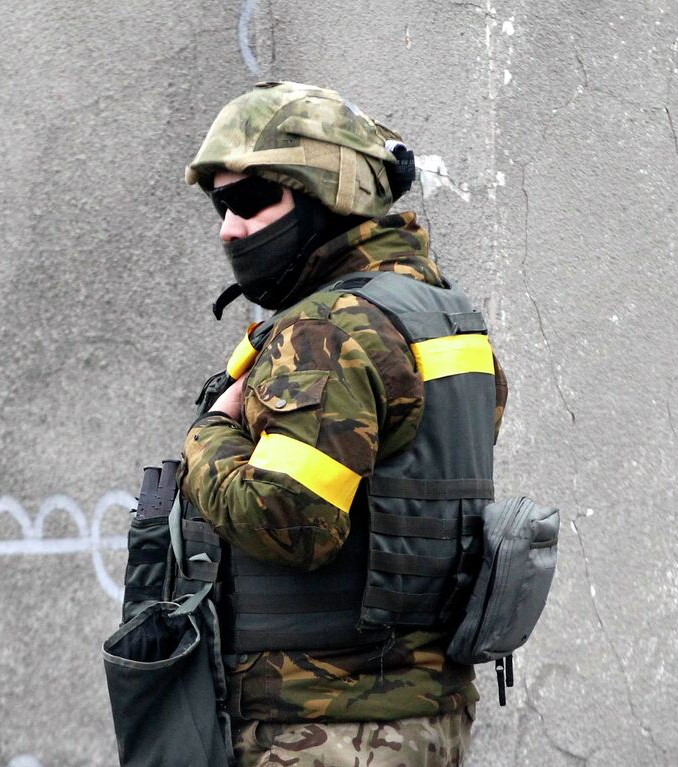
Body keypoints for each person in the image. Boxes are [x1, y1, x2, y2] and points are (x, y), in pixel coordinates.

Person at [178, 81, 509, 767]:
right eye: (219, 205)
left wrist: (210, 433)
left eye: (248, 200)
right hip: (426, 718)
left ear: (330, 193)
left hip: (325, 730)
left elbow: (291, 519)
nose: (228, 227)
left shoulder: (329, 328)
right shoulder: (444, 316)